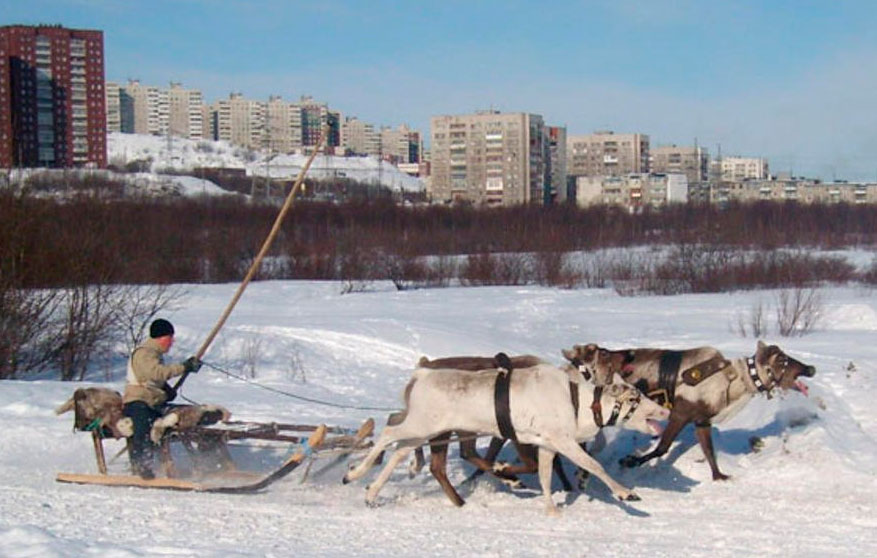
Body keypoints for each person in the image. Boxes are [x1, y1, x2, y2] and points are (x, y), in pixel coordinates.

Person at [123, 318, 202, 479]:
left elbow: (153, 380)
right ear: (160, 337)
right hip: (138, 402)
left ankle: (173, 463)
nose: (172, 342)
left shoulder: (154, 354)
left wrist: (166, 390)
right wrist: (184, 367)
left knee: (179, 419)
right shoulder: (144, 352)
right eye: (170, 338)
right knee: (143, 430)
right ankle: (141, 466)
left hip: (152, 401)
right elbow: (155, 373)